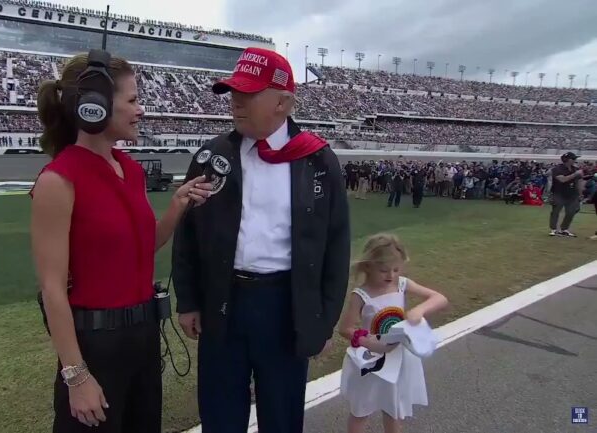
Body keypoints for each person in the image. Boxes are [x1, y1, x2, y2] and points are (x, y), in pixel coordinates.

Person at [29, 50, 213, 433]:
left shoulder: (130, 169)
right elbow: (51, 289)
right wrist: (76, 377)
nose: (140, 110)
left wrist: (177, 207)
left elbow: (139, 251)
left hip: (142, 339)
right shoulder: (57, 180)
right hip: (94, 347)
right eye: (132, 100)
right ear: (94, 106)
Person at [171, 47, 351, 433]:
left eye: (248, 93)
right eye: (233, 92)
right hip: (223, 301)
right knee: (220, 413)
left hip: (284, 305)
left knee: (283, 415)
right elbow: (188, 233)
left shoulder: (318, 160)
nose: (236, 102)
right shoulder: (212, 154)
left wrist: (322, 319)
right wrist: (187, 300)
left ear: (284, 102)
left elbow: (337, 247)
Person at [338, 233, 449, 433]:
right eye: (383, 270)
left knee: (394, 409)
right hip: (372, 361)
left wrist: (419, 310)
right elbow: (345, 329)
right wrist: (369, 343)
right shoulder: (361, 295)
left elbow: (439, 298)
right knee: (361, 410)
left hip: (398, 359)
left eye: (396, 269)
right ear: (368, 266)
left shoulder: (402, 284)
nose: (390, 275)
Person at [549, 152, 584, 237]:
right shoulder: (557, 169)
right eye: (573, 159)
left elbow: (578, 182)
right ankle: (554, 229)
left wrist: (580, 194)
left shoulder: (575, 169)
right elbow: (562, 179)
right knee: (556, 211)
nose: (575, 160)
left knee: (571, 212)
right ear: (568, 160)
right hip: (559, 193)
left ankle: (564, 229)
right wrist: (575, 174)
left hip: (572, 194)